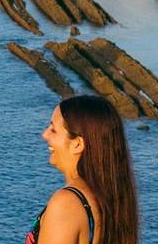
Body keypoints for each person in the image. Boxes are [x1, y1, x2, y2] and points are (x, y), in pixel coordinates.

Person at [27, 96, 138, 244]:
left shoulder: (66, 204)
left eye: (53, 129)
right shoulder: (114, 199)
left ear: (77, 144)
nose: (44, 135)